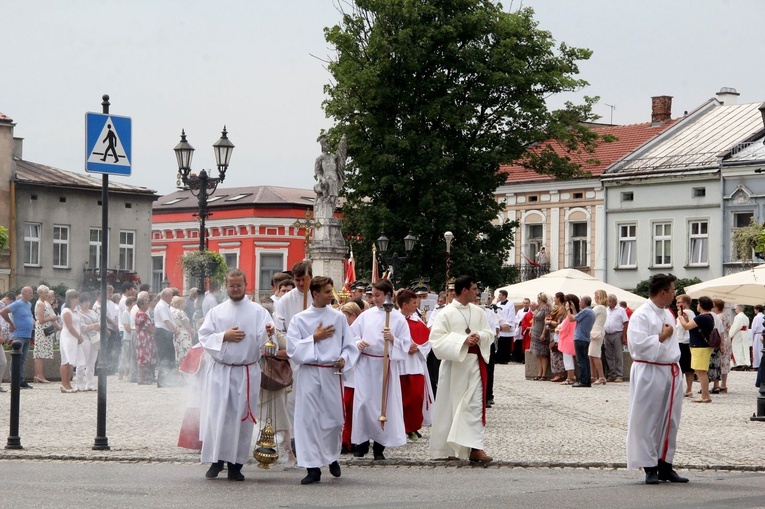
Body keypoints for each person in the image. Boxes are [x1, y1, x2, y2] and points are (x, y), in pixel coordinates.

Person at [197, 268, 273, 482]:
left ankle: (236, 465)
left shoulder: (258, 311)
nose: (236, 288)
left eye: (239, 285)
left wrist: (269, 332)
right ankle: (216, 461)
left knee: (241, 419)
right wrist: (224, 336)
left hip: (247, 371)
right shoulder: (217, 311)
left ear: (245, 284)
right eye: (232, 285)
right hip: (220, 371)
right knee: (217, 415)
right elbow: (204, 336)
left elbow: (267, 338)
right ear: (226, 286)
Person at [287, 276, 359, 485]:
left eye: (331, 290)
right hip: (309, 372)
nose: (331, 295)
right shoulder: (299, 319)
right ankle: (312, 467)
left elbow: (349, 345)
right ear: (315, 293)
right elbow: (293, 350)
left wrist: (343, 359)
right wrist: (314, 338)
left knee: (334, 419)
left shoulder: (337, 318)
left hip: (330, 372)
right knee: (308, 420)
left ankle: (332, 456)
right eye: (327, 291)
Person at [626, 273, 688, 485]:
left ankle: (665, 464)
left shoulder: (668, 313)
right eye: (672, 290)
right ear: (663, 292)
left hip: (670, 370)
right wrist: (662, 336)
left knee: (670, 420)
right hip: (650, 370)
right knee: (648, 419)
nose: (674, 294)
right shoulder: (641, 315)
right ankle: (649, 466)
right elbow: (637, 345)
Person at [429, 275, 494, 464]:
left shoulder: (478, 311)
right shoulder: (445, 313)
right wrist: (462, 340)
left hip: (474, 365)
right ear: (464, 290)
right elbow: (437, 340)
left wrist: (479, 336)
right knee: (451, 407)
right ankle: (449, 448)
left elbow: (488, 333)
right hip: (454, 366)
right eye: (474, 289)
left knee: (473, 406)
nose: (477, 292)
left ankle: (475, 448)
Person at [350, 279, 412, 460]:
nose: (373, 299)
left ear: (387, 295)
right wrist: (357, 343)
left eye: (377, 295)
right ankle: (361, 443)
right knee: (363, 404)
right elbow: (352, 335)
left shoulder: (398, 318)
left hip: (385, 365)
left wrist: (393, 339)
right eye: (372, 295)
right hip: (366, 364)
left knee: (382, 406)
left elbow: (406, 345)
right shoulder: (366, 315)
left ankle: (379, 445)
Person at [397, 289, 433, 439]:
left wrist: (418, 347)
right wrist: (404, 347)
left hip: (415, 364)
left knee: (416, 396)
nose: (416, 307)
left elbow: (429, 340)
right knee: (400, 398)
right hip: (399, 365)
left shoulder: (417, 320)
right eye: (413, 304)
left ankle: (413, 426)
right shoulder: (393, 319)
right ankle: (401, 427)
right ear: (405, 305)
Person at [678, 296, 715, 403]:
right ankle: (705, 394)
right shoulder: (708, 316)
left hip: (699, 346)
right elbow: (693, 326)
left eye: (698, 304)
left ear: (702, 305)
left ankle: (705, 395)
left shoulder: (701, 317)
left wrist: (680, 317)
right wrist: (686, 319)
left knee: (701, 372)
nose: (697, 306)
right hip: (702, 346)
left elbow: (687, 327)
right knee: (700, 371)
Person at [0, 287, 35, 388]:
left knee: (23, 360)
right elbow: (3, 312)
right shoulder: (18, 303)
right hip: (19, 335)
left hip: (27, 335)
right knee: (16, 359)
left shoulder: (28, 304)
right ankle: (14, 381)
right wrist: (11, 324)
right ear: (23, 293)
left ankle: (21, 380)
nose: (32, 294)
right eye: (30, 293)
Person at [313, 134, 347, 219]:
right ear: (322, 146)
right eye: (326, 144)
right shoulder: (320, 158)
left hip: (334, 178)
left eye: (328, 143)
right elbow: (318, 172)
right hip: (326, 179)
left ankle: (330, 214)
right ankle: (328, 215)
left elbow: (341, 156)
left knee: (334, 197)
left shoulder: (333, 156)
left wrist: (342, 144)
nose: (328, 145)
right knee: (329, 197)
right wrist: (322, 179)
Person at [566, 295, 594, 388]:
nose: (579, 303)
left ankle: (583, 381)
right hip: (585, 338)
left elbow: (571, 319)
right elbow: (577, 317)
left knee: (581, 361)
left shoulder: (585, 311)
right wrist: (573, 309)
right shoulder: (590, 311)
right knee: (585, 360)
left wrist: (567, 310)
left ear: (584, 302)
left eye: (580, 301)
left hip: (580, 337)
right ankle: (587, 380)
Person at [58, 290, 83, 393]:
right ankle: (64, 383)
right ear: (71, 299)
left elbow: (78, 325)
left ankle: (68, 383)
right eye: (76, 298)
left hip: (74, 337)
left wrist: (79, 336)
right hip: (68, 337)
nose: (78, 301)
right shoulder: (66, 311)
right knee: (66, 360)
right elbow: (69, 327)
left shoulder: (75, 311)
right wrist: (78, 337)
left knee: (71, 361)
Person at [154, 288, 179, 387]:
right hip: (162, 333)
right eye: (171, 295)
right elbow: (166, 321)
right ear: (165, 296)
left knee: (169, 356)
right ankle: (163, 380)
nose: (172, 297)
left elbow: (170, 320)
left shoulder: (165, 306)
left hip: (166, 333)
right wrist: (174, 330)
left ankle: (169, 379)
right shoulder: (161, 306)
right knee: (165, 357)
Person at [76, 293, 101, 392]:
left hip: (94, 338)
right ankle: (79, 384)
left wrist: (92, 326)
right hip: (85, 338)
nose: (87, 303)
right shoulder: (79, 314)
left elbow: (99, 324)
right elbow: (83, 327)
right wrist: (93, 325)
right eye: (84, 302)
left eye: (88, 301)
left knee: (92, 362)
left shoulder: (93, 313)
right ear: (81, 303)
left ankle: (89, 384)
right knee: (83, 362)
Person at [33, 285, 57, 383]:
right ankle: (39, 375)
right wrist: (51, 318)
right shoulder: (41, 304)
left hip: (43, 330)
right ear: (40, 293)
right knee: (40, 354)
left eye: (47, 292)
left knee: (41, 353)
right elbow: (41, 319)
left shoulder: (42, 303)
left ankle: (39, 374)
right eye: (45, 292)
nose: (46, 294)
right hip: (42, 330)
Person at [603, 294, 628, 383]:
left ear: (614, 301)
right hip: (607, 334)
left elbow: (625, 323)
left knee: (618, 355)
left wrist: (624, 336)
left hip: (617, 333)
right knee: (608, 355)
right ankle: (611, 374)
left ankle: (619, 375)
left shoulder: (621, 310)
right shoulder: (606, 310)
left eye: (609, 301)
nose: (608, 302)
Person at [556, 294, 579, 385]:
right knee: (570, 359)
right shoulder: (574, 315)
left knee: (568, 359)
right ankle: (571, 376)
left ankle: (570, 377)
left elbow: (565, 328)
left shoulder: (570, 316)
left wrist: (558, 330)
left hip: (567, 340)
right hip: (571, 339)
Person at [530, 293, 551, 380]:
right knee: (537, 354)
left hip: (542, 332)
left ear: (541, 299)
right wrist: (531, 329)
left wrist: (543, 333)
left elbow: (547, 323)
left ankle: (544, 374)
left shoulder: (547, 309)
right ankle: (539, 373)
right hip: (535, 332)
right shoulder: (539, 308)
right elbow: (534, 320)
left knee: (543, 354)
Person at [589, 290, 608, 385]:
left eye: (595, 295)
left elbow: (589, 315)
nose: (594, 297)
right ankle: (593, 376)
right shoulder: (602, 308)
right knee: (592, 355)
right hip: (596, 331)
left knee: (595, 355)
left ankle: (601, 376)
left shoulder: (599, 307)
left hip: (596, 332)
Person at [170, 296, 194, 366]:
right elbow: (186, 324)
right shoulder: (180, 312)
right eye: (184, 303)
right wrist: (192, 331)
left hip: (177, 335)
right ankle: (186, 368)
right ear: (179, 304)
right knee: (185, 352)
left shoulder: (173, 312)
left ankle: (180, 369)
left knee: (179, 352)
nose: (185, 305)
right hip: (184, 335)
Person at [494, 290, 515, 365]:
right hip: (500, 325)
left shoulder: (510, 304)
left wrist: (508, 324)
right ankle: (499, 358)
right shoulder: (498, 304)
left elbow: (511, 314)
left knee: (506, 343)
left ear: (504, 295)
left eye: (500, 295)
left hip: (507, 325)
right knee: (500, 343)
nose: (499, 296)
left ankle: (505, 359)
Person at [120, 296, 136, 381]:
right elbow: (126, 326)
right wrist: (133, 333)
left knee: (131, 356)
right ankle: (124, 373)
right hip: (128, 338)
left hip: (131, 338)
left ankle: (129, 372)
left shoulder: (133, 312)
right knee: (126, 356)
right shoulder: (126, 313)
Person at [729, 304, 751, 370]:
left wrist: (730, 334)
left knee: (737, 348)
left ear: (739, 309)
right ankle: (745, 362)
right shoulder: (745, 317)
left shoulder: (738, 317)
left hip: (738, 334)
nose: (735, 310)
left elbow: (736, 327)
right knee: (744, 349)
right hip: (745, 333)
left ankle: (740, 363)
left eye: (736, 308)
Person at [751, 305, 764, 371]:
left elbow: (753, 328)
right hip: (763, 334)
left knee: (757, 350)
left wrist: (752, 337)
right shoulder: (763, 316)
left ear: (757, 309)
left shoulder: (756, 317)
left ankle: (757, 365)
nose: (754, 311)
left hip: (757, 335)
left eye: (755, 309)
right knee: (761, 350)